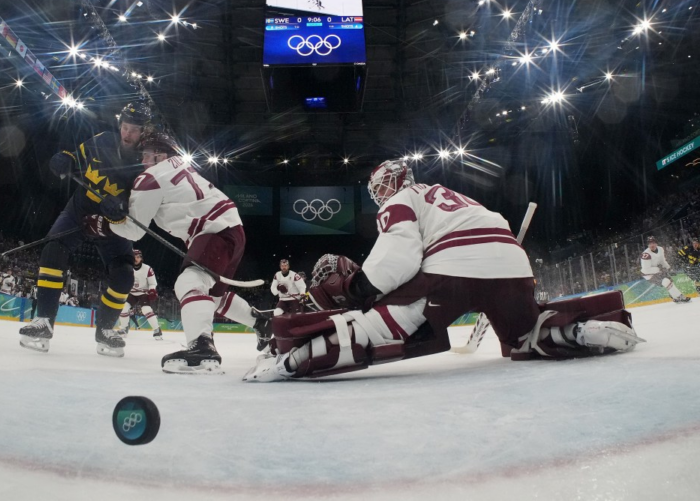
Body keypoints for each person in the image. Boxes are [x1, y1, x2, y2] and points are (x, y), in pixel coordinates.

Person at [244, 159, 641, 382]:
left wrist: (362, 287)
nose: (377, 194)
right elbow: (494, 227)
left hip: (451, 270)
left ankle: (291, 363)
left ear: (389, 183)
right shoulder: (454, 194)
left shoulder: (401, 198)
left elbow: (398, 259)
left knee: (376, 326)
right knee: (524, 337)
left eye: (377, 187)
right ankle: (575, 330)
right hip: (512, 266)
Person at [82, 132, 269, 373]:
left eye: (147, 155)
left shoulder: (149, 178)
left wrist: (102, 224)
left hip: (212, 231)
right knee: (213, 297)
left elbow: (135, 230)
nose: (142, 160)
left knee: (188, 282)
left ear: (160, 154)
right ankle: (262, 322)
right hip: (232, 229)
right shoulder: (181, 165)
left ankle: (202, 348)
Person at [18, 102, 151, 356]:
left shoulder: (145, 165)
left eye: (134, 130)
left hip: (114, 226)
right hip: (79, 212)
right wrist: (64, 159)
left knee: (124, 274)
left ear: (143, 132)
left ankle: (106, 330)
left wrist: (123, 207)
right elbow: (76, 156)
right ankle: (44, 320)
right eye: (124, 127)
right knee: (53, 249)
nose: (127, 134)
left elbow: (142, 208)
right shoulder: (102, 140)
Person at [118, 249, 163, 340]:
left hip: (143, 293)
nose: (136, 259)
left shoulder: (147, 269)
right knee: (123, 307)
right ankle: (124, 328)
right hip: (131, 293)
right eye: (134, 257)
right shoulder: (127, 267)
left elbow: (152, 283)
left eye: (138, 257)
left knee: (146, 309)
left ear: (141, 258)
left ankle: (157, 330)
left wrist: (152, 290)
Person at [641, 236, 690, 303]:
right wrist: (659, 269)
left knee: (670, 281)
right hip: (648, 274)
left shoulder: (660, 249)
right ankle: (680, 296)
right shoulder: (646, 254)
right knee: (666, 281)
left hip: (657, 271)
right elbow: (646, 269)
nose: (652, 245)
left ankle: (674, 297)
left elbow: (662, 261)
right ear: (648, 245)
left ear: (656, 243)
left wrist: (669, 268)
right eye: (650, 243)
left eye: (653, 243)